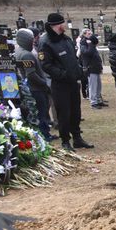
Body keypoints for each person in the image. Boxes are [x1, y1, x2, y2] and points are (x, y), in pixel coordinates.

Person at [37, 13, 94, 151]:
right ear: (56, 25)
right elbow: (46, 65)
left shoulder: (66, 39)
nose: (65, 26)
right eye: (62, 23)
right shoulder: (46, 42)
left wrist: (79, 71)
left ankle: (77, 138)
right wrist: (63, 74)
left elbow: (73, 59)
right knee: (64, 113)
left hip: (73, 82)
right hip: (60, 84)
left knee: (76, 112)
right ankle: (65, 141)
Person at [15, 28, 52, 141]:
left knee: (40, 112)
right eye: (31, 41)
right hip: (36, 88)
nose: (33, 43)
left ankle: (45, 133)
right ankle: (45, 135)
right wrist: (44, 83)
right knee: (41, 112)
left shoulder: (19, 51)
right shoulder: (27, 55)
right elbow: (31, 75)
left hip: (32, 87)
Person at [79, 30, 105, 109]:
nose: (91, 35)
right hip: (90, 68)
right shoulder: (83, 43)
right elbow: (87, 53)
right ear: (84, 35)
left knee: (98, 85)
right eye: (89, 34)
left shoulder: (91, 43)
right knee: (93, 86)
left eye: (91, 33)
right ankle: (93, 102)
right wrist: (90, 44)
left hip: (96, 67)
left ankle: (98, 100)